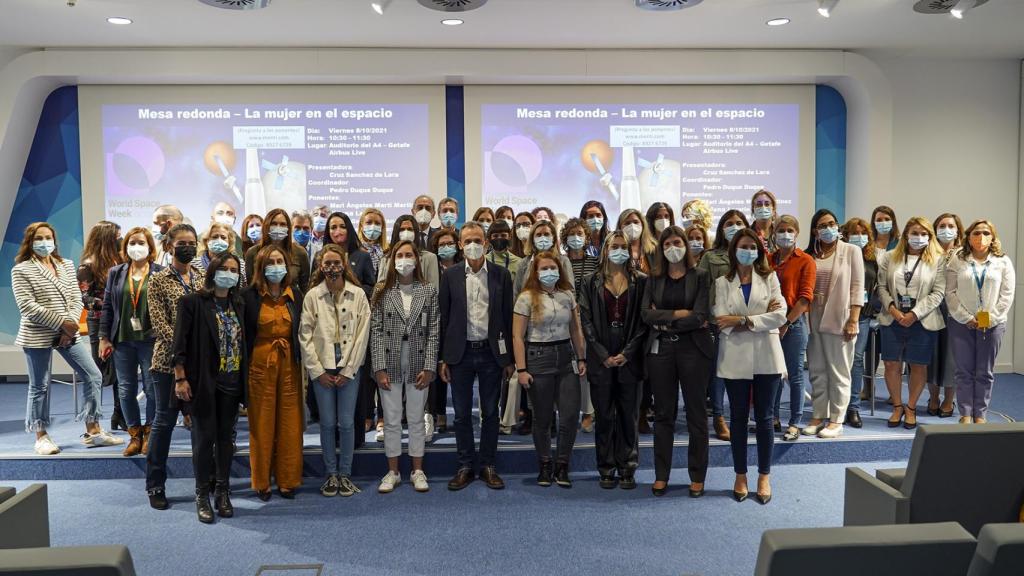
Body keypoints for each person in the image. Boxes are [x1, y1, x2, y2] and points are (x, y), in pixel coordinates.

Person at [13, 222, 121, 455]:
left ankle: (93, 430)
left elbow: (75, 297)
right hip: (38, 333)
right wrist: (62, 324)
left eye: (48, 237)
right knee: (40, 385)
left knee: (93, 375)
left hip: (68, 333)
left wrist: (69, 328)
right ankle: (41, 436)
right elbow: (28, 307)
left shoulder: (65, 264)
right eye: (39, 238)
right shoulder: (21, 269)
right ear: (30, 241)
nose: (44, 242)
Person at [438, 221, 514, 491]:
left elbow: (507, 318)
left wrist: (509, 360)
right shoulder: (450, 275)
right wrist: (442, 359)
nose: (473, 245)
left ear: (486, 243)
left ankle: (488, 465)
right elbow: (444, 319)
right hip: (460, 354)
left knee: (491, 413)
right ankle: (465, 466)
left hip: (492, 354)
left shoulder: (501, 275)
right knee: (460, 415)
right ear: (460, 244)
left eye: (478, 240)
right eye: (468, 240)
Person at [714, 228, 787, 505]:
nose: (748, 251)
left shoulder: (770, 278)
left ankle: (764, 476)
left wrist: (743, 320)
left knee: (766, 419)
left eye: (753, 246)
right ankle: (740, 475)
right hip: (734, 356)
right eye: (743, 246)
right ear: (734, 250)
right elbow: (720, 318)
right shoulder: (723, 282)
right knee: (739, 419)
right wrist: (758, 316)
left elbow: (780, 315)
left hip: (767, 355)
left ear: (759, 250)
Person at [173, 253, 247, 524]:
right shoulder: (192, 302)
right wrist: (181, 379)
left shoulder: (238, 303)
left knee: (226, 440)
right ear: (213, 271)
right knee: (203, 441)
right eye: (224, 268)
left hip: (232, 381)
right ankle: (202, 495)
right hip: (204, 382)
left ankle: (222, 492)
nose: (229, 273)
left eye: (234, 269)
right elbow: (179, 344)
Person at [641, 226, 713, 497]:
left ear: (686, 245)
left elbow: (700, 316)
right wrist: (680, 313)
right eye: (668, 243)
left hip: (694, 350)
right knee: (663, 414)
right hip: (661, 353)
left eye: (677, 242)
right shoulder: (654, 278)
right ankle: (661, 475)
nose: (673, 247)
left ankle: (697, 475)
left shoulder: (701, 276)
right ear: (661, 248)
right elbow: (646, 316)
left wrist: (666, 319)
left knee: (696, 415)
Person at [579, 231, 648, 490]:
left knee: (629, 415)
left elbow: (644, 322)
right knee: (605, 416)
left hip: (630, 355)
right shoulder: (590, 281)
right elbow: (585, 320)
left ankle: (628, 467)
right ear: (605, 250)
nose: (619, 250)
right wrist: (601, 354)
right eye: (614, 246)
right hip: (601, 355)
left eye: (623, 246)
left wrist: (627, 353)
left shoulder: (641, 281)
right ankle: (606, 467)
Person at [300, 245, 371, 497]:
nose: (332, 268)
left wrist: (349, 369)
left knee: (347, 423)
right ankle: (331, 474)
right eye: (327, 263)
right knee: (328, 423)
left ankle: (346, 473)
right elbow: (305, 335)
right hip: (322, 370)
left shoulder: (358, 295)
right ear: (320, 266)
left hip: (349, 369)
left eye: (336, 263)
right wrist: (317, 371)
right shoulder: (312, 296)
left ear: (345, 265)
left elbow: (363, 335)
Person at [513, 251, 587, 488]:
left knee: (568, 416)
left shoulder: (567, 295)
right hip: (538, 357)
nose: (549, 272)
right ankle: (544, 465)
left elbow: (576, 330)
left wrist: (582, 357)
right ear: (535, 272)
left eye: (552, 268)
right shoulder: (526, 297)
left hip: (566, 358)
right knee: (542, 418)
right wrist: (521, 369)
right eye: (543, 268)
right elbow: (517, 336)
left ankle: (562, 465)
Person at [370, 241, 440, 493]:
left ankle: (417, 470)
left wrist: (430, 365)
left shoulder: (428, 290)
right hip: (389, 361)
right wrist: (378, 366)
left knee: (416, 419)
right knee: (390, 419)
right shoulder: (382, 290)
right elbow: (375, 331)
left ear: (417, 260)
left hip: (419, 360)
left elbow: (434, 330)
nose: (404, 259)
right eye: (399, 255)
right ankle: (393, 471)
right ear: (392, 261)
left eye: (408, 254)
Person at [144, 224, 204, 510]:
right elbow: (160, 325)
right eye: (182, 242)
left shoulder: (203, 278)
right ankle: (155, 484)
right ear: (169, 246)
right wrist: (186, 348)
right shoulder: (157, 281)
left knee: (201, 427)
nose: (187, 247)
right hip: (167, 364)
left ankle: (204, 485)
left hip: (199, 365)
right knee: (164, 423)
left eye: (192, 242)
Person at [242, 246, 304, 501]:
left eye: (280, 261)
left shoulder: (295, 294)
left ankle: (288, 479)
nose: (276, 266)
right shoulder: (249, 296)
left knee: (290, 422)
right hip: (260, 364)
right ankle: (262, 481)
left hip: (290, 363)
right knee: (262, 423)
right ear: (261, 267)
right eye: (271, 262)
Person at [877, 217, 946, 429]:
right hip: (892, 318)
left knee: (918, 366)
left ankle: (911, 408)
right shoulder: (890, 257)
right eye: (914, 233)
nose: (918, 237)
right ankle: (897, 406)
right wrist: (894, 310)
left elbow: (938, 293)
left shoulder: (938, 259)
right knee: (891, 364)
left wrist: (914, 314)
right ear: (906, 234)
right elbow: (881, 287)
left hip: (923, 320)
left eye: (923, 234)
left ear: (929, 237)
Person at [99, 227, 162, 457]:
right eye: (132, 242)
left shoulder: (160, 272)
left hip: (150, 340)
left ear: (150, 246)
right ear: (125, 247)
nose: (137, 247)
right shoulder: (116, 272)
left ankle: (150, 433)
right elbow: (107, 307)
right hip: (122, 340)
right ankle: (135, 436)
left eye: (141, 242)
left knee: (152, 389)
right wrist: (103, 338)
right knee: (126, 390)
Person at [945, 220, 1015, 424]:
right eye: (976, 233)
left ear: (993, 237)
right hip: (961, 322)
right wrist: (966, 317)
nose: (981, 237)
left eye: (986, 233)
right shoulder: (958, 260)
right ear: (968, 236)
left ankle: (980, 414)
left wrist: (990, 318)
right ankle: (965, 413)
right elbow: (950, 292)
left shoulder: (1003, 262)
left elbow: (1007, 295)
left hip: (993, 324)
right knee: (963, 370)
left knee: (985, 371)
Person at [801, 209, 863, 439]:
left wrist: (854, 319)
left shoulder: (851, 251)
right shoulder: (810, 255)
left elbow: (857, 287)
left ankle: (836, 419)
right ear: (815, 231)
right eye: (822, 225)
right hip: (813, 317)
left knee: (839, 372)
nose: (828, 228)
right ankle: (818, 415)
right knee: (817, 369)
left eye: (832, 224)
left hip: (841, 318)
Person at [697, 209, 750, 441]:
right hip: (719, 324)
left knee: (744, 373)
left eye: (739, 223)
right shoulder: (710, 256)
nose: (735, 226)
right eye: (730, 223)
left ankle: (740, 416)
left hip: (747, 323)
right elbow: (705, 291)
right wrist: (714, 319)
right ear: (721, 228)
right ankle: (718, 417)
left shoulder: (752, 253)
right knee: (718, 373)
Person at [769, 215, 815, 441]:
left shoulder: (805, 260)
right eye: (780, 230)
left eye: (789, 230)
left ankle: (795, 423)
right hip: (769, 325)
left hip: (793, 325)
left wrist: (786, 323)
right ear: (774, 233)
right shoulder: (768, 259)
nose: (785, 234)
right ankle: (773, 418)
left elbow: (805, 298)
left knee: (795, 375)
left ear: (796, 233)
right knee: (773, 374)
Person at [78, 220, 125, 431]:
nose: (121, 240)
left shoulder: (121, 261)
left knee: (123, 371)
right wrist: (111, 302)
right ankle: (92, 422)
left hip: (121, 321)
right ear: (107, 238)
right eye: (117, 236)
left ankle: (120, 414)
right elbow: (86, 299)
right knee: (98, 372)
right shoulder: (87, 265)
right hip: (99, 323)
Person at [560, 217, 598, 433]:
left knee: (586, 367)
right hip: (566, 320)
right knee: (570, 369)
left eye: (580, 234)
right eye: (571, 234)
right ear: (565, 238)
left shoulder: (595, 262)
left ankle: (589, 412)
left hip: (589, 319)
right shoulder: (561, 262)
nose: (576, 238)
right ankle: (569, 412)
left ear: (586, 237)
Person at [842, 218, 878, 428]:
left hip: (862, 316)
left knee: (856, 359)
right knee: (838, 361)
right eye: (854, 233)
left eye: (862, 232)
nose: (858, 236)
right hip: (838, 314)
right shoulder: (841, 255)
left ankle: (853, 407)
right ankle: (836, 404)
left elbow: (877, 286)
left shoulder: (872, 258)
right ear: (846, 235)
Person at [927, 213, 964, 418]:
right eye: (942, 225)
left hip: (955, 312)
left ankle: (949, 401)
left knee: (952, 358)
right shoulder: (927, 251)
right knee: (931, 356)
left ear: (958, 230)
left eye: (951, 225)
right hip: (931, 309)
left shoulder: (964, 254)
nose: (946, 229)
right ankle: (933, 398)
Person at [244, 208, 310, 292]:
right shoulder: (252, 252)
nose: (278, 227)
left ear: (288, 228)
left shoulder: (300, 252)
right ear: (266, 226)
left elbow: (304, 287)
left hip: (290, 302)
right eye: (274, 224)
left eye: (282, 224)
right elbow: (251, 286)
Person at [322, 211, 376, 298]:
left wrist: (352, 294)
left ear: (349, 229)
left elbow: (370, 286)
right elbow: (314, 284)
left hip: (355, 306)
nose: (338, 231)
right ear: (328, 232)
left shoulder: (363, 256)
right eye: (333, 227)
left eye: (343, 227)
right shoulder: (320, 256)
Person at [513, 220, 574, 296]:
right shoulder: (523, 263)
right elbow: (516, 292)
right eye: (538, 235)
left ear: (553, 238)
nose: (543, 238)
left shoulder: (563, 261)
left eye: (546, 234)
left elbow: (570, 291)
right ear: (532, 239)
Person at [379, 214, 441, 288]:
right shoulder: (385, 259)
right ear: (396, 233)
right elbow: (380, 288)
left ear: (416, 232)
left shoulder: (430, 258)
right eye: (402, 229)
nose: (406, 233)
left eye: (410, 229)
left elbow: (433, 290)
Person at [358, 207, 389, 277]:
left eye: (377, 223)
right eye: (369, 222)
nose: (373, 226)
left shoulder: (388, 250)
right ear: (361, 226)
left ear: (382, 227)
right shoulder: (355, 248)